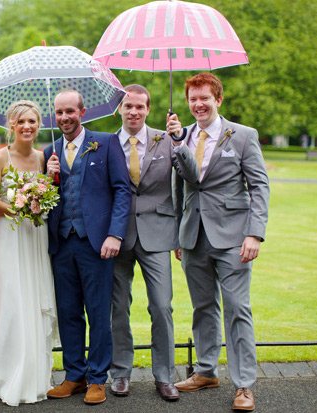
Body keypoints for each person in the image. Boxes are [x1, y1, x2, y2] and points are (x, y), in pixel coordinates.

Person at [170, 73, 270, 412]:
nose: (198, 104)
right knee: (203, 308)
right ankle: (206, 371)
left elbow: (259, 187)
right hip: (193, 236)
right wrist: (178, 234)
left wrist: (254, 233)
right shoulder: (180, 136)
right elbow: (179, 188)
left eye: (205, 98)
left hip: (234, 238)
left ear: (218, 100)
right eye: (193, 99)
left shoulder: (243, 136)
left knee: (237, 310)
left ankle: (244, 385)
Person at [109, 85, 198, 401]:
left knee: (161, 306)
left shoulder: (166, 138)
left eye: (140, 107)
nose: (134, 111)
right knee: (117, 307)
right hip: (117, 235)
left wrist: (179, 141)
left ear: (148, 109)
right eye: (128, 106)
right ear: (120, 108)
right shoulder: (106, 143)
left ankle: (164, 375)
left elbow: (191, 175)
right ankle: (120, 372)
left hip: (158, 232)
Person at [0, 100, 58, 406]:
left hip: (36, 236)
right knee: (12, 301)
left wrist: (50, 182)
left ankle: (34, 375)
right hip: (10, 233)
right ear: (12, 126)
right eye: (21, 122)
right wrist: (17, 209)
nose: (28, 127)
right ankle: (4, 374)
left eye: (32, 121)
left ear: (39, 124)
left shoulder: (45, 157)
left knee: (34, 301)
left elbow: (50, 195)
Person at [44, 90, 131, 405]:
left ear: (82, 111)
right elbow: (45, 197)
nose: (64, 117)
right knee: (68, 312)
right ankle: (74, 375)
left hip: (97, 244)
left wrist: (115, 234)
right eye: (59, 113)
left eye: (70, 111)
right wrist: (47, 177)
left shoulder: (105, 142)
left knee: (97, 312)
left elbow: (122, 189)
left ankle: (97, 378)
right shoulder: (49, 151)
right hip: (61, 243)